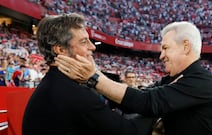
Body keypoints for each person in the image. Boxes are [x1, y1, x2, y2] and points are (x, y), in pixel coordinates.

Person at [55, 21, 212, 135]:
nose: (161, 55)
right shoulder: (172, 79)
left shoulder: (203, 83)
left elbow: (147, 102)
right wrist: (95, 76)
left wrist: (94, 77)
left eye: (166, 48)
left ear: (186, 47)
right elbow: (135, 100)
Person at [22, 13, 155, 135]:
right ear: (60, 49)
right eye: (84, 42)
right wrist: (160, 107)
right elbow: (129, 131)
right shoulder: (71, 92)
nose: (93, 47)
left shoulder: (57, 82)